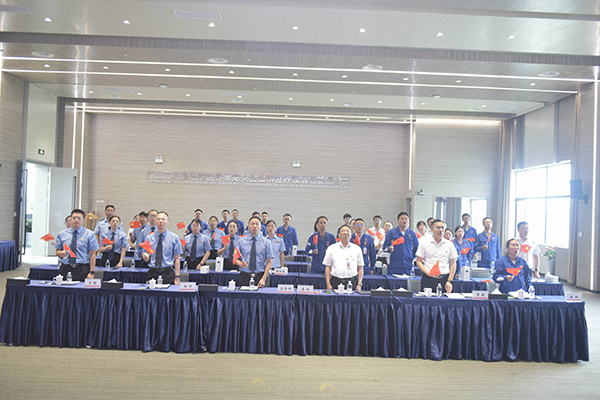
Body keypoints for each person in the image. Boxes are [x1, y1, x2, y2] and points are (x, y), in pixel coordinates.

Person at [55, 209, 99, 281]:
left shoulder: (89, 234)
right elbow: (57, 251)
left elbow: (92, 255)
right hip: (65, 267)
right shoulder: (62, 234)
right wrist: (60, 253)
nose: (76, 220)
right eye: (74, 218)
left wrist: (91, 272)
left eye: (79, 218)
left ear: (83, 220)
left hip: (82, 268)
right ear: (70, 220)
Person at [416, 219, 458, 293]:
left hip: (444, 279)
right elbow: (419, 261)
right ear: (432, 229)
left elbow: (453, 263)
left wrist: (449, 280)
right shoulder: (424, 243)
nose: (441, 230)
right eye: (438, 228)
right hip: (428, 278)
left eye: (442, 228)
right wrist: (428, 273)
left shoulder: (449, 244)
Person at [141, 211, 181, 285]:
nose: (161, 221)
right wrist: (145, 256)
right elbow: (145, 255)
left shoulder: (174, 238)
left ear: (168, 222)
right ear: (155, 221)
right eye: (158, 219)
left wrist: (177, 277)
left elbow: (177, 259)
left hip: (167, 273)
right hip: (152, 273)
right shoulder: (149, 238)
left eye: (163, 219)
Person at [234, 216, 274, 287]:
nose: (254, 226)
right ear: (249, 227)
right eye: (252, 224)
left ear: (260, 227)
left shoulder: (266, 242)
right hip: (244, 276)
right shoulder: (241, 241)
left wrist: (263, 279)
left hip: (260, 276)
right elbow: (235, 259)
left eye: (257, 224)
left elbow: (269, 263)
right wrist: (240, 263)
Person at [324, 224, 364, 291]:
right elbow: (328, 267)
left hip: (352, 281)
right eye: (343, 231)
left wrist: (359, 284)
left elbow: (360, 267)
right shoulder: (331, 248)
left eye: (348, 231)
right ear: (339, 235)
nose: (345, 233)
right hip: (336, 281)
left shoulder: (357, 249)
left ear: (351, 234)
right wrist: (328, 284)